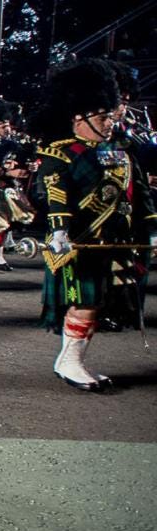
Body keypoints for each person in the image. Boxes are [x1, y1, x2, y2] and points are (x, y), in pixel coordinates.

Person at [33, 61, 156, 391]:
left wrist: (152, 231)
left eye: (110, 117)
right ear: (79, 117)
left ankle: (70, 360)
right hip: (78, 240)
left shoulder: (121, 151)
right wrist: (59, 230)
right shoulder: (59, 153)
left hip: (113, 240)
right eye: (103, 118)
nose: (109, 124)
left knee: (98, 303)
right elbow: (53, 193)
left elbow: (140, 196)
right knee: (85, 303)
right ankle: (71, 363)